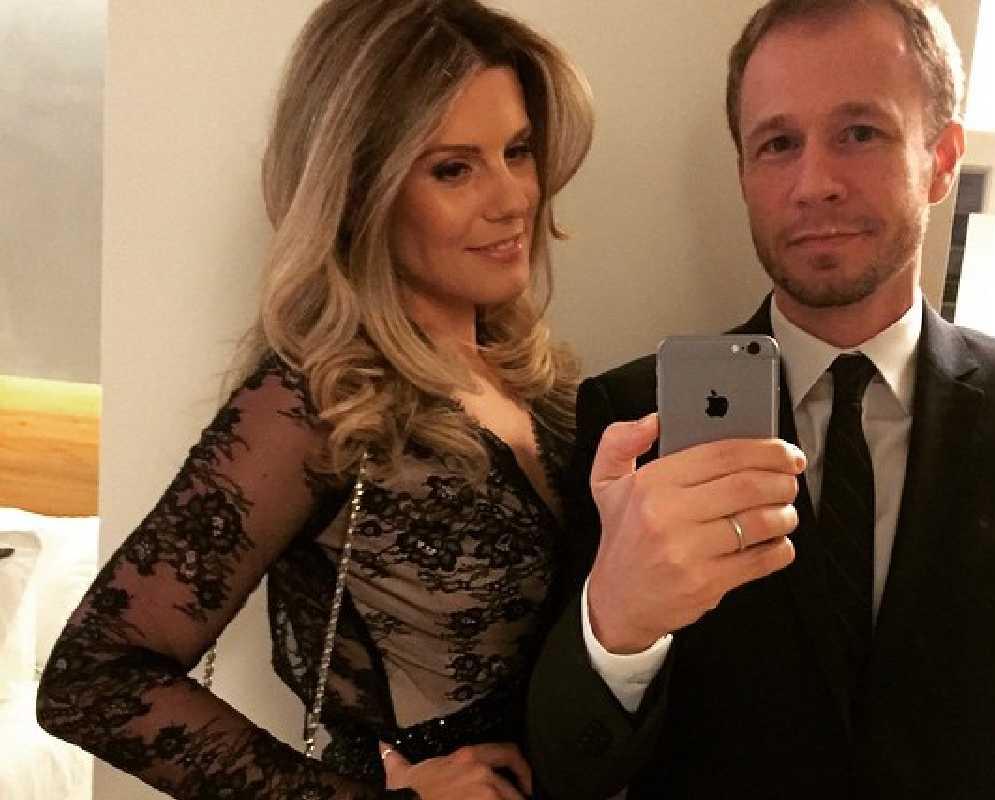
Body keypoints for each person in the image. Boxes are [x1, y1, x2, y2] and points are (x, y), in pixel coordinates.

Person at [526, 1, 995, 798]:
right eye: (777, 144)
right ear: (744, 174)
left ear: (941, 159)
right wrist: (619, 627)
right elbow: (568, 767)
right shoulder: (636, 420)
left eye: (860, 132)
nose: (814, 185)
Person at [36, 1, 592, 798]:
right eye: (453, 168)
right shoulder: (317, 404)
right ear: (361, 190)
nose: (513, 199)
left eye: (518, 151)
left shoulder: (540, 382)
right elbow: (93, 679)